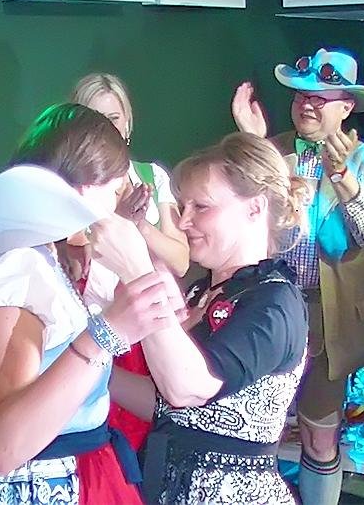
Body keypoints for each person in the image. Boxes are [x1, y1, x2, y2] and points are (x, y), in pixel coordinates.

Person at [0, 103, 181, 504]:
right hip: (40, 488)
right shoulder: (18, 269)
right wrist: (107, 332)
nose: (115, 208)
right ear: (83, 190)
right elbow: (5, 447)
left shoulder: (24, 255)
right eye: (114, 192)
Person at [105, 132, 311, 504]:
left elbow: (188, 387)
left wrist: (138, 272)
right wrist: (83, 361)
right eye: (183, 207)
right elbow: (169, 406)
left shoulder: (274, 303)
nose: (184, 222)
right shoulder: (201, 293)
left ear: (255, 208)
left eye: (201, 207)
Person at [232, 48, 364, 505]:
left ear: (346, 107)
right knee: (253, 426)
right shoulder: (273, 150)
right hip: (269, 307)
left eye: (320, 98)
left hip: (328, 314)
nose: (307, 104)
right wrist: (253, 144)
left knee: (320, 437)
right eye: (301, 96)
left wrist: (343, 179)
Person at [71, 73, 191, 451]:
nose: (107, 127)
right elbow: (72, 263)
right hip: (93, 325)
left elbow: (181, 260)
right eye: (95, 117)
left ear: (128, 122)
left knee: (149, 437)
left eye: (114, 117)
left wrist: (138, 225)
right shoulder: (69, 186)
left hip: (150, 324)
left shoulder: (151, 176)